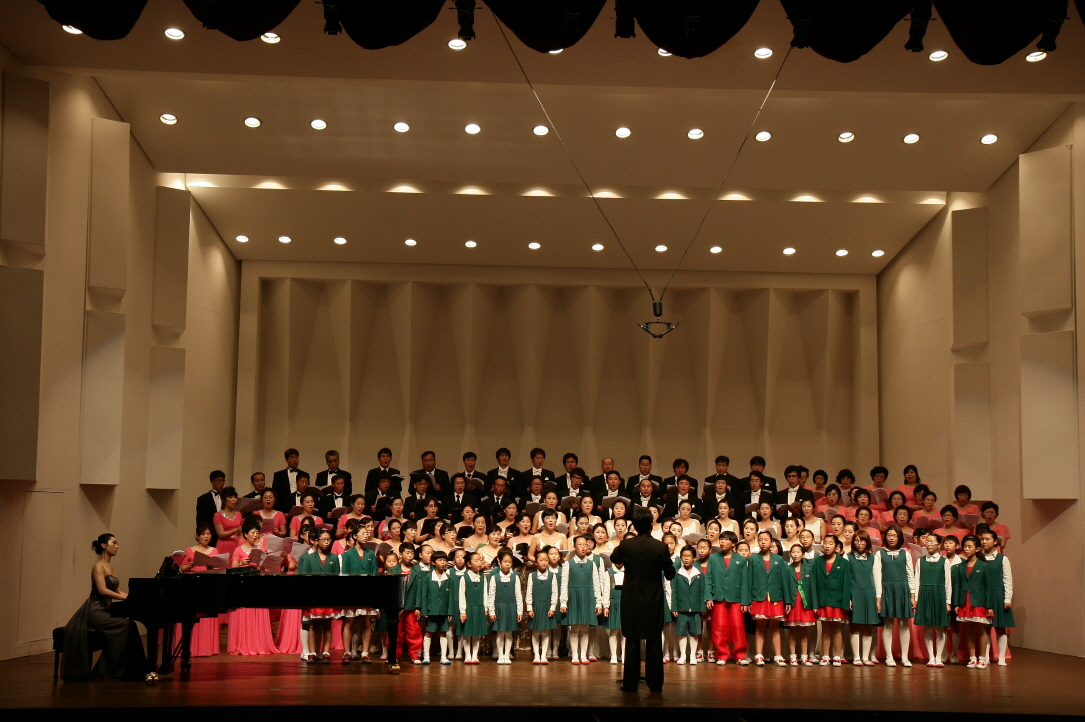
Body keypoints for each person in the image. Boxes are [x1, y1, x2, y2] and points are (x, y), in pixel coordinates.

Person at [61, 534, 148, 682]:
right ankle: (107, 670)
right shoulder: (98, 567)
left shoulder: (110, 567)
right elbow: (103, 591)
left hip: (105, 609)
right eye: (114, 543)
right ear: (103, 545)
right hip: (95, 611)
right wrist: (127, 598)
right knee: (127, 625)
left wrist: (132, 597)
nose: (117, 546)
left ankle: (132, 669)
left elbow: (116, 590)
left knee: (131, 625)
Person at [611, 506, 677, 692]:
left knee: (632, 640)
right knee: (654, 640)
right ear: (650, 525)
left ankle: (630, 684)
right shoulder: (660, 547)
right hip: (652, 599)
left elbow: (615, 558)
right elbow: (670, 574)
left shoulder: (626, 545)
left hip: (631, 599)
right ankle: (655, 684)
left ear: (634, 525)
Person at [227, 518, 279, 656]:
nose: (255, 535)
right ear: (245, 534)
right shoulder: (239, 550)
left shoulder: (260, 550)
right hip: (243, 586)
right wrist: (242, 563)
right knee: (245, 614)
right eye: (253, 532)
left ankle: (258, 643)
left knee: (258, 612)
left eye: (257, 532)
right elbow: (232, 568)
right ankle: (244, 644)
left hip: (257, 585)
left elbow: (265, 568)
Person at [704, 530, 748, 665]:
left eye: (726, 539)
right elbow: (708, 579)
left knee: (737, 627)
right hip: (718, 597)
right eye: (721, 539)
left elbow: (745, 581)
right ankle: (722, 655)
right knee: (719, 627)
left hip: (736, 597)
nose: (722, 542)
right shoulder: (713, 558)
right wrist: (708, 597)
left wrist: (745, 601)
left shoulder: (741, 559)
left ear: (733, 543)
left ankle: (740, 656)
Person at [877, 525, 917, 666]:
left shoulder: (905, 554)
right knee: (887, 624)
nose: (892, 538)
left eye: (894, 535)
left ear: (899, 537)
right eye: (889, 535)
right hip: (886, 590)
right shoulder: (880, 554)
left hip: (902, 590)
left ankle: (905, 657)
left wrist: (912, 596)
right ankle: (889, 657)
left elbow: (910, 575)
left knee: (903, 624)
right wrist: (879, 597)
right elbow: (877, 576)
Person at [952, 535, 994, 668]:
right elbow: (957, 586)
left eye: (969, 546)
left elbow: (988, 587)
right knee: (968, 629)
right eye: (965, 546)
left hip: (979, 601)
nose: (966, 549)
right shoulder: (960, 566)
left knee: (981, 629)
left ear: (977, 549)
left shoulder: (984, 566)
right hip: (965, 601)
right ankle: (972, 658)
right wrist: (957, 603)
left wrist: (989, 606)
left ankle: (982, 658)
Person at [914, 531, 952, 668]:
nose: (928, 544)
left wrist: (948, 602)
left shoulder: (944, 561)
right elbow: (917, 580)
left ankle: (939, 657)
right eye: (927, 541)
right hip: (925, 594)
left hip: (939, 594)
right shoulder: (920, 561)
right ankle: (931, 657)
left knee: (940, 627)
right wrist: (916, 598)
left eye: (931, 542)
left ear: (938, 544)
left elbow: (948, 583)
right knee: (928, 627)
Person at [978, 528, 1014, 666]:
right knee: (985, 628)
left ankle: (1001, 657)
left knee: (1000, 627)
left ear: (995, 542)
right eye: (982, 539)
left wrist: (1007, 599)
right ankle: (985, 657)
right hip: (983, 596)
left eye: (987, 539)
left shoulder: (1002, 559)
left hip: (998, 595)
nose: (984, 541)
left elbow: (1007, 580)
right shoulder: (978, 558)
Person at [846, 530, 878, 665]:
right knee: (855, 625)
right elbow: (846, 579)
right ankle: (857, 657)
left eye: (862, 540)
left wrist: (878, 598)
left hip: (869, 593)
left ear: (867, 542)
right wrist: (848, 598)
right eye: (856, 540)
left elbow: (877, 578)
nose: (859, 543)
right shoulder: (848, 557)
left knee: (867, 626)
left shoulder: (873, 558)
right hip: (854, 593)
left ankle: (865, 657)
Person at [487, 548, 524, 664]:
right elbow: (491, 595)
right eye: (505, 561)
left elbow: (518, 595)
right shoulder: (495, 577)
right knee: (500, 632)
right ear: (500, 562)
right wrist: (492, 611)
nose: (507, 564)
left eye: (510, 562)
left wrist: (520, 611)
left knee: (509, 633)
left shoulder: (515, 577)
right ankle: (500, 655)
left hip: (511, 607)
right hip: (499, 607)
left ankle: (507, 655)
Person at [670, 545, 706, 664]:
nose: (686, 558)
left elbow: (702, 591)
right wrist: (674, 607)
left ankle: (692, 656)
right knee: (682, 633)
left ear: (694, 558)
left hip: (695, 608)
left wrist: (702, 608)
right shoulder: (677, 573)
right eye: (684, 556)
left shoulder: (699, 573)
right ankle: (683, 656)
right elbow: (674, 591)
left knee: (694, 633)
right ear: (681, 557)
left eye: (689, 556)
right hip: (682, 608)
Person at [783, 544, 816, 666]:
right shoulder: (787, 569)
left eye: (798, 552)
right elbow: (785, 588)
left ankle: (804, 656)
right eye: (793, 552)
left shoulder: (808, 569)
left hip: (804, 603)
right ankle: (792, 656)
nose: (795, 554)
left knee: (803, 631)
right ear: (790, 554)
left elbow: (813, 589)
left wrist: (815, 605)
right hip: (792, 603)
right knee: (792, 630)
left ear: (803, 555)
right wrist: (786, 602)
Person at [419, 550, 453, 665]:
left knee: (443, 632)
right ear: (433, 562)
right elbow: (424, 595)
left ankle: (443, 657)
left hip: (443, 610)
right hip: (431, 610)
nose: (443, 562)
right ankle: (426, 656)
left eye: (444, 560)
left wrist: (450, 611)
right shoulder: (427, 578)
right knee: (429, 632)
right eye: (440, 560)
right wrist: (424, 610)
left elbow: (451, 596)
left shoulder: (449, 578)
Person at [526, 546, 559, 664]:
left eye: (546, 560)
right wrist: (529, 608)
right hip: (536, 607)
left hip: (547, 607)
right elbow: (529, 593)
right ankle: (536, 655)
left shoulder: (552, 576)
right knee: (536, 632)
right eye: (541, 560)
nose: (544, 562)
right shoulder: (532, 576)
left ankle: (544, 656)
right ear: (536, 562)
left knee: (545, 632)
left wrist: (552, 608)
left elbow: (555, 593)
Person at [457, 551, 489, 664]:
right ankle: (467, 655)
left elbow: (485, 593)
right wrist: (463, 611)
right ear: (469, 564)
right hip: (468, 608)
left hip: (479, 607)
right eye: (476, 560)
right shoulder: (464, 577)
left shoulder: (483, 577)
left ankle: (475, 655)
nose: (479, 562)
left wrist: (486, 608)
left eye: (480, 560)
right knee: (467, 633)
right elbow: (461, 595)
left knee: (476, 633)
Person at [195, 470, 227, 544]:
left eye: (223, 480)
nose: (222, 483)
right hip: (211, 533)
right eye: (219, 480)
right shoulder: (203, 499)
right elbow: (200, 519)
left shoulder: (227, 497)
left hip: (225, 533)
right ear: (212, 482)